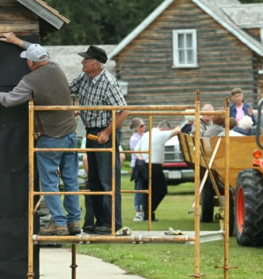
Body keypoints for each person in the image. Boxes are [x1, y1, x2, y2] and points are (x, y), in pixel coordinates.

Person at [0, 32, 81, 236]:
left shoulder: (29, 80)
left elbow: (8, 100)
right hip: (70, 134)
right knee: (71, 179)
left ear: (31, 63)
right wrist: (17, 41)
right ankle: (74, 221)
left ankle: (58, 223)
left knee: (49, 182)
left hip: (50, 137)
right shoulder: (55, 66)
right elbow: (42, 52)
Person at [69, 45, 128, 235]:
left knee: (107, 180)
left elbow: (124, 111)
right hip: (91, 132)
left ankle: (112, 223)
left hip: (105, 135)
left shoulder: (108, 82)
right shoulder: (85, 78)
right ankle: (99, 221)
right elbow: (67, 88)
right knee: (93, 179)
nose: (82, 63)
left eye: (86, 60)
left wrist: (108, 132)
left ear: (96, 64)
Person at [134, 120, 181, 221]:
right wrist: (178, 126)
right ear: (164, 129)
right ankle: (149, 210)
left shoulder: (147, 134)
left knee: (147, 191)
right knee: (161, 190)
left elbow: (136, 149)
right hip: (154, 166)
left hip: (142, 165)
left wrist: (141, 159)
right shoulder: (161, 134)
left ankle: (148, 214)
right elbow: (177, 130)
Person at [129, 117, 146, 221]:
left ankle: (145, 210)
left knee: (144, 188)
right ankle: (138, 211)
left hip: (144, 163)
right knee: (139, 187)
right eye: (141, 126)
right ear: (137, 128)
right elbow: (135, 151)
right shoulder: (134, 138)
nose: (144, 127)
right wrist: (141, 159)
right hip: (138, 165)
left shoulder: (144, 136)